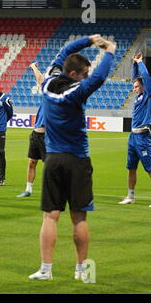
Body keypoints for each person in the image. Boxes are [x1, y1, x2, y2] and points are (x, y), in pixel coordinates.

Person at [28, 35, 116, 281]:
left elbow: (66, 50)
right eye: (84, 73)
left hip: (54, 158)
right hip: (77, 159)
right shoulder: (76, 93)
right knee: (79, 217)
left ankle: (45, 270)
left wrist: (88, 40)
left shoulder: (48, 81)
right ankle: (81, 271)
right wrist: (109, 50)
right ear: (75, 74)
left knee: (50, 216)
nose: (87, 76)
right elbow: (99, 78)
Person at [118, 53, 151, 208]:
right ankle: (130, 196)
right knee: (131, 168)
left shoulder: (150, 96)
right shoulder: (139, 97)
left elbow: (146, 77)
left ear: (144, 86)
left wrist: (140, 62)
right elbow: (136, 78)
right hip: (133, 136)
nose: (134, 88)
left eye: (137, 86)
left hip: (143, 137)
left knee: (150, 169)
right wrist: (135, 65)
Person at [18, 62, 46, 197]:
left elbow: (41, 80)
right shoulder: (49, 94)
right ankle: (28, 190)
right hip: (35, 134)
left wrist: (34, 67)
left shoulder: (60, 98)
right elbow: (41, 80)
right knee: (32, 162)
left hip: (49, 136)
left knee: (52, 166)